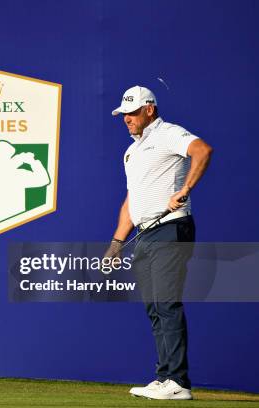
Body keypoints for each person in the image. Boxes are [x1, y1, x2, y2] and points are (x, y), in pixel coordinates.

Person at [104, 86, 213, 400]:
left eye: (133, 112)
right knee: (154, 307)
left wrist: (185, 189)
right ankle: (165, 376)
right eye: (124, 113)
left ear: (149, 108)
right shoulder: (131, 151)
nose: (127, 118)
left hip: (171, 228)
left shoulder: (168, 133)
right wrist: (115, 242)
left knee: (166, 303)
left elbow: (203, 151)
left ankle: (178, 382)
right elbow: (131, 201)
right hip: (145, 232)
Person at [0, 140, 50, 222]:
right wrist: (24, 159)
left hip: (16, 222)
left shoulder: (18, 174)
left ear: (7, 156)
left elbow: (44, 180)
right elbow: (2, 172)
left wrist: (32, 162)